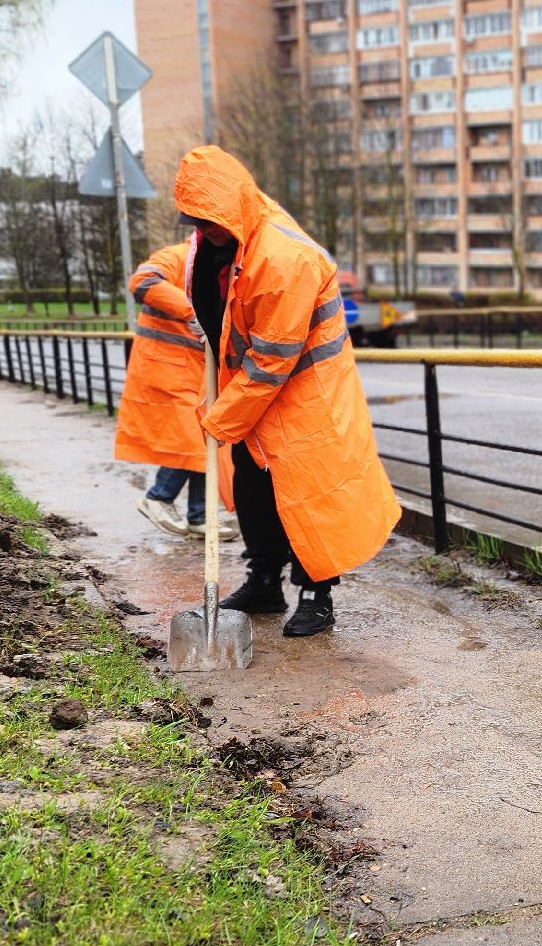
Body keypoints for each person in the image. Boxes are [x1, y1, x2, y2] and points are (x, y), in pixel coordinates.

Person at [172, 144, 401, 637]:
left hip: (304, 399)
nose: (203, 231)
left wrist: (222, 418)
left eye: (210, 222)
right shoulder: (221, 244)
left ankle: (316, 595)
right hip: (253, 396)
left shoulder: (283, 261)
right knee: (255, 491)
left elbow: (273, 357)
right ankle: (264, 581)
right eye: (196, 222)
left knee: (309, 495)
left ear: (234, 207)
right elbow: (225, 330)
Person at [114, 239, 238, 541]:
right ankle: (159, 496)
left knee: (206, 438)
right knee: (196, 441)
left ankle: (199, 515)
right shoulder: (177, 256)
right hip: (167, 368)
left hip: (192, 370)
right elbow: (142, 281)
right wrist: (191, 312)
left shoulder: (221, 269)